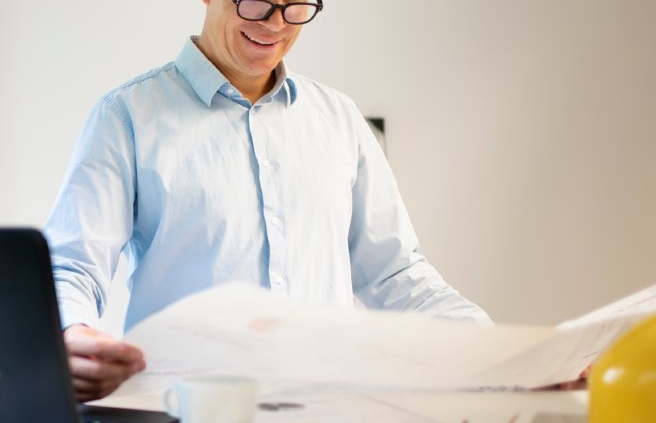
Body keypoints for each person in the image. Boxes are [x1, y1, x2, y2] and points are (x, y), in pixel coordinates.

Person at [42, 0, 493, 402]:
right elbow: (72, 267)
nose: (275, 23)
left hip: (326, 411)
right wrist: (71, 333)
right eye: (256, 3)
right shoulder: (127, 116)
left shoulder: (339, 119)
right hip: (183, 412)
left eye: (295, 5)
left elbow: (395, 273)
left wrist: (502, 355)